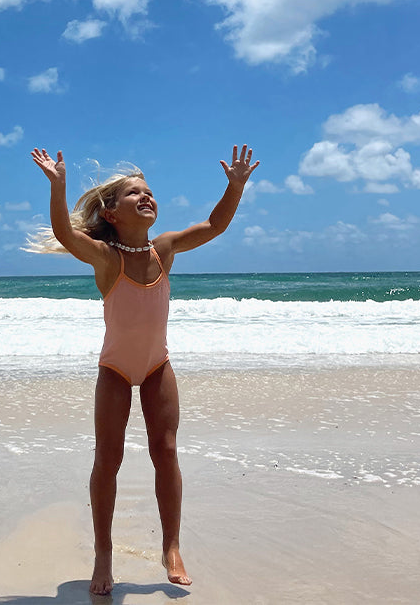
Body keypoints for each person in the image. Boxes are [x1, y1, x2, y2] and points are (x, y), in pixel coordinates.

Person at [28, 144, 259, 596]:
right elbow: (64, 234)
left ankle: (172, 546)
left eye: (149, 191)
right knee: (107, 460)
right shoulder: (105, 257)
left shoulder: (164, 250)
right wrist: (59, 187)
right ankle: (103, 555)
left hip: (157, 366)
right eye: (134, 193)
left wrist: (235, 187)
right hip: (114, 369)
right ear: (112, 213)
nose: (146, 197)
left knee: (166, 451)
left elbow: (213, 226)